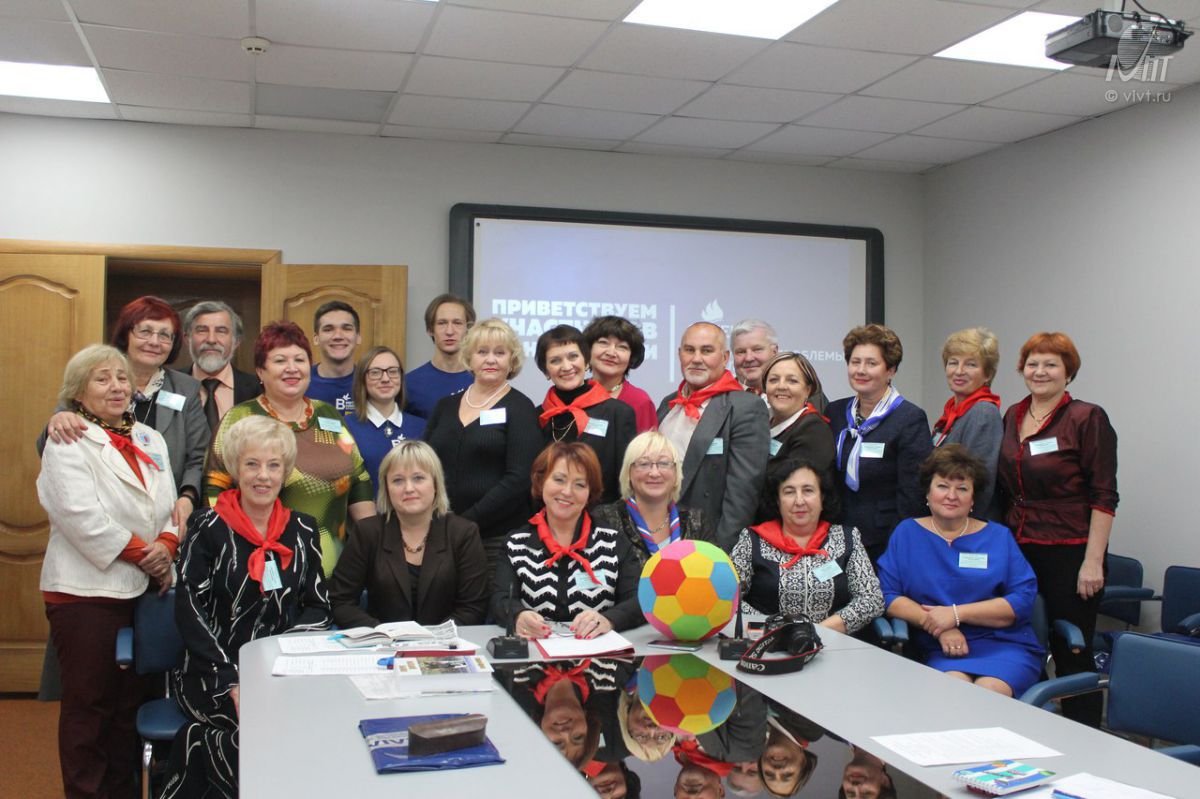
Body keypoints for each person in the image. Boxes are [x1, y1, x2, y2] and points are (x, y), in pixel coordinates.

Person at [160, 415, 330, 799]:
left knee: (314, 723)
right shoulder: (206, 527)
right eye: (252, 464)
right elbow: (190, 609)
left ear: (286, 472)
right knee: (253, 727)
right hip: (211, 673)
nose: (262, 476)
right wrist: (232, 679)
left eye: (273, 465)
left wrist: (278, 659)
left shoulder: (303, 530)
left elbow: (319, 607)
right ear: (236, 469)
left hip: (282, 671)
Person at [37, 344, 177, 799]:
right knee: (90, 708)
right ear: (78, 392)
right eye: (102, 378)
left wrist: (167, 544)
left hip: (145, 591)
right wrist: (145, 554)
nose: (116, 386)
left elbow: (169, 506)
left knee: (128, 708)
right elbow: (80, 516)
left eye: (121, 378)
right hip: (86, 593)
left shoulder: (149, 438)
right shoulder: (66, 440)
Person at [996, 332, 1117, 726]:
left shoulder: (1086, 418)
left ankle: (1084, 737)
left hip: (1070, 550)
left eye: (1051, 364)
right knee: (1021, 644)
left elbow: (1104, 495)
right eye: (1033, 363)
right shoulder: (1013, 414)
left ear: (1068, 372)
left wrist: (1093, 561)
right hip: (1019, 547)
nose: (1040, 371)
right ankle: (1031, 730)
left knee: (1070, 649)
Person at [203, 321, 375, 577]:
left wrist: (373, 543)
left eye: (300, 360)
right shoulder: (240, 418)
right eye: (280, 360)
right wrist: (232, 551)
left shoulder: (327, 414)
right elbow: (214, 489)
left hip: (338, 569)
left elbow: (359, 478)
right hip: (264, 568)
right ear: (260, 371)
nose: (292, 368)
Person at [878, 445, 1042, 697]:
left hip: (1003, 645)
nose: (951, 495)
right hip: (937, 645)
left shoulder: (998, 537)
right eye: (943, 486)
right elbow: (887, 595)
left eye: (962, 488)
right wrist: (940, 626)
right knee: (954, 692)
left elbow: (1022, 600)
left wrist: (955, 615)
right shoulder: (907, 533)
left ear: (973, 498)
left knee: (989, 691)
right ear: (928, 492)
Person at [43, 295, 209, 531]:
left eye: (165, 335)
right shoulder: (92, 376)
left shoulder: (186, 388)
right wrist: (58, 420)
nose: (154, 342)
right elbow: (50, 445)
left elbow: (199, 456)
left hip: (166, 518)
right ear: (126, 334)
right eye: (145, 331)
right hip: (100, 516)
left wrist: (188, 496)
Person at [423, 318, 542, 581]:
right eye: (482, 351)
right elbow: (424, 464)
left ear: (512, 360)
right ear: (469, 357)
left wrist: (466, 522)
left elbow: (519, 479)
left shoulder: (520, 408)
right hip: (438, 532)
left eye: (500, 353)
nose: (490, 359)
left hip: (496, 540)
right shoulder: (445, 406)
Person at [328, 440, 488, 627]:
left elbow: (473, 608)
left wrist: (435, 637)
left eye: (418, 478)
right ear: (386, 489)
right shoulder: (367, 532)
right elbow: (341, 601)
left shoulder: (463, 533)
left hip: (446, 642)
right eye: (398, 480)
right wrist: (381, 632)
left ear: (436, 484)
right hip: (381, 641)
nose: (409, 488)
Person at [491, 442, 643, 638]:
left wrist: (609, 619)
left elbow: (638, 600)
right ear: (541, 482)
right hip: (535, 650)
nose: (567, 492)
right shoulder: (516, 544)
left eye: (579, 484)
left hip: (597, 650)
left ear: (589, 493)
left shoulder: (613, 542)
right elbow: (500, 598)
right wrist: (518, 616)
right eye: (559, 480)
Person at [732, 459, 883, 634]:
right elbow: (727, 598)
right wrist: (773, 630)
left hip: (834, 643)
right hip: (767, 643)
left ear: (822, 497)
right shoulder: (752, 540)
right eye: (789, 492)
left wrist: (817, 632)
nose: (799, 501)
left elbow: (872, 599)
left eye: (808, 491)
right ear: (777, 500)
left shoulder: (847, 539)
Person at [658, 322, 770, 552]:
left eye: (707, 351)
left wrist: (720, 553)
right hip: (660, 534)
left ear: (725, 357)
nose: (696, 359)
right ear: (679, 354)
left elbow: (742, 495)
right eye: (689, 350)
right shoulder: (668, 404)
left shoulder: (746, 407)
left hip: (708, 543)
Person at [827, 324, 932, 563]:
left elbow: (913, 494)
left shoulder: (909, 418)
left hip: (885, 540)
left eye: (871, 363)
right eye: (855, 362)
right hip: (837, 536)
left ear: (891, 370)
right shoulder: (835, 412)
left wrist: (896, 545)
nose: (861, 370)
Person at [534, 324, 636, 504]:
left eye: (573, 357)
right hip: (548, 515)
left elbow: (626, 482)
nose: (566, 366)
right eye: (555, 361)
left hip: (601, 515)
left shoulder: (618, 413)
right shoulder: (538, 416)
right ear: (545, 371)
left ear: (587, 361)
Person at [591, 431, 716, 569]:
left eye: (664, 463)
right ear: (628, 473)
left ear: (676, 473)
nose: (655, 473)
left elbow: (714, 573)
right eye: (644, 464)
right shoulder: (605, 520)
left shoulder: (696, 522)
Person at [931, 327, 1002, 514]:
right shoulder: (952, 412)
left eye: (971, 364)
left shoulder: (983, 413)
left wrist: (959, 526)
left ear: (987, 374)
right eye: (953, 362)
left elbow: (981, 483)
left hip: (966, 523)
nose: (959, 371)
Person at [761, 351, 836, 520]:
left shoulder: (813, 430)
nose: (781, 386)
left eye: (792, 381)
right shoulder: (761, 422)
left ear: (807, 390)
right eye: (774, 380)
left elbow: (794, 491)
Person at [342, 345, 426, 493]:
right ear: (362, 379)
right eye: (375, 373)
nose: (386, 379)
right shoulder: (345, 427)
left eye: (393, 371)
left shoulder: (421, 427)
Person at [181, 300, 259, 430]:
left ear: (236, 341)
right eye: (202, 330)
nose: (211, 340)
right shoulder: (169, 386)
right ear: (187, 338)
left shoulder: (258, 390)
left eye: (221, 331)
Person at [405, 293, 476, 420]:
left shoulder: (482, 380)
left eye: (457, 323)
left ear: (468, 329)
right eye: (442, 323)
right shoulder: (409, 384)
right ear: (430, 329)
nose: (449, 331)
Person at [583, 315, 658, 433]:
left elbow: (648, 445)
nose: (611, 353)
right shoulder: (573, 393)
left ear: (632, 357)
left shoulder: (640, 401)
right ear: (588, 349)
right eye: (603, 343)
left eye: (622, 347)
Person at [307, 300, 361, 414]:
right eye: (328, 329)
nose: (338, 336)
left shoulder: (371, 383)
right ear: (316, 338)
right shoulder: (300, 382)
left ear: (358, 337)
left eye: (346, 328)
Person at [731, 318, 779, 395]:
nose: (748, 358)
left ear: (774, 352)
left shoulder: (790, 395)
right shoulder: (717, 398)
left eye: (757, 349)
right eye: (741, 352)